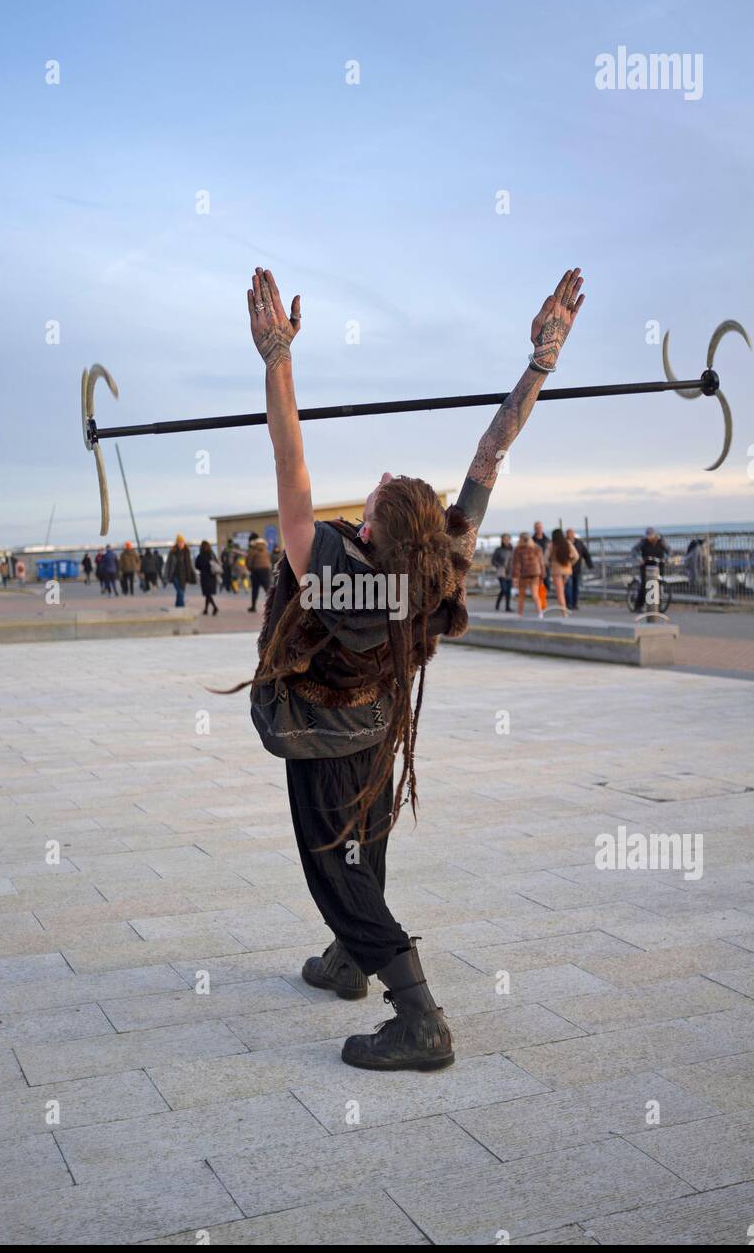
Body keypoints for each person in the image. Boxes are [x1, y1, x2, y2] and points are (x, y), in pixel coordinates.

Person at [232, 264, 584, 1072]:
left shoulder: (326, 568)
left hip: (323, 733)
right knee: (367, 841)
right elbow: (493, 453)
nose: (383, 478)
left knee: (337, 872)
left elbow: (290, 461)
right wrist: (541, 362)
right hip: (379, 728)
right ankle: (349, 961)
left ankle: (419, 1016)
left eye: (385, 489)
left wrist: (276, 355)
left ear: (371, 529)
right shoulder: (434, 567)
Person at [511, 531, 545, 616]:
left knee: (522, 595)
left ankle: (520, 614)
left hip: (524, 574)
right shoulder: (536, 548)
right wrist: (542, 575)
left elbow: (517, 565)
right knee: (535, 595)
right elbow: (541, 563)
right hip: (535, 574)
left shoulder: (518, 549)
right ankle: (540, 613)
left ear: (520, 539)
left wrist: (515, 577)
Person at [635, 527, 669, 609]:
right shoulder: (643, 542)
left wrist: (668, 558)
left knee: (658, 584)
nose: (649, 537)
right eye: (648, 535)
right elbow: (635, 550)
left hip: (659, 564)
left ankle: (658, 605)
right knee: (645, 585)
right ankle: (638, 606)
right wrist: (639, 558)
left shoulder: (661, 541)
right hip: (646, 565)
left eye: (651, 535)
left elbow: (669, 550)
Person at [548, 528, 579, 612]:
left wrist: (549, 565)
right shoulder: (568, 543)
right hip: (567, 571)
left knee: (560, 592)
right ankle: (569, 605)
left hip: (556, 571)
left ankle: (564, 612)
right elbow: (576, 556)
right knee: (568, 588)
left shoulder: (551, 545)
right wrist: (570, 564)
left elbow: (545, 559)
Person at [564, 528, 593, 610]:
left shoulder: (579, 543)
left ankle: (574, 603)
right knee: (568, 587)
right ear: (566, 535)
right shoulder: (564, 543)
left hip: (577, 568)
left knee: (576, 587)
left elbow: (586, 554)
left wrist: (590, 564)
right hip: (566, 569)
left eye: (572, 533)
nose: (570, 535)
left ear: (574, 534)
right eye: (568, 533)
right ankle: (569, 603)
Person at [165, 535, 196, 607]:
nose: (181, 543)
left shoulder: (187, 552)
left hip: (184, 575)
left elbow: (189, 564)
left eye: (182, 542)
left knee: (181, 592)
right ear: (177, 543)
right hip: (175, 575)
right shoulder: (173, 551)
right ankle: (181, 607)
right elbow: (168, 564)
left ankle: (177, 605)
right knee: (180, 591)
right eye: (179, 542)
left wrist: (191, 574)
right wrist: (166, 575)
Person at [246, 532, 273, 611]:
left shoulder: (253, 548)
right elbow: (269, 558)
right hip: (266, 569)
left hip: (256, 570)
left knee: (255, 589)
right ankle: (273, 606)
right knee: (267, 588)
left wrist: (250, 568)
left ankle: (253, 607)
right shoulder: (265, 548)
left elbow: (249, 561)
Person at [195, 540, 220, 616]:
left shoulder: (200, 555)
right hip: (212, 576)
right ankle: (206, 610)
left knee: (207, 594)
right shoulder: (212, 554)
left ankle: (215, 607)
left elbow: (197, 566)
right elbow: (217, 563)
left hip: (205, 577)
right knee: (208, 594)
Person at [490, 533, 513, 611]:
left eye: (507, 539)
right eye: (504, 539)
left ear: (510, 540)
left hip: (510, 572)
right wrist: (500, 566)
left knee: (508, 590)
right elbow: (493, 561)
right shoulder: (498, 550)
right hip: (501, 572)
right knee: (504, 589)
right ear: (502, 540)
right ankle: (498, 603)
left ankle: (507, 607)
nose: (506, 541)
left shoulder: (513, 549)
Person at [532, 519, 551, 592]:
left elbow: (551, 552)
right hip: (535, 564)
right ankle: (539, 599)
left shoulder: (547, 540)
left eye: (540, 527)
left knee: (547, 582)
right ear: (534, 529)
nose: (538, 529)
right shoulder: (532, 540)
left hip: (545, 564)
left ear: (542, 528)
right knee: (537, 583)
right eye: (537, 528)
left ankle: (544, 598)